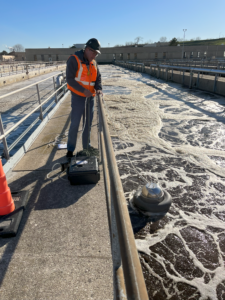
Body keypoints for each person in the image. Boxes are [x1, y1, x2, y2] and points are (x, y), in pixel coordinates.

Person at [66, 38, 102, 158]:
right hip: (78, 97)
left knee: (88, 124)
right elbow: (70, 79)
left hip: (90, 98)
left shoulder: (94, 62)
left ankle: (86, 146)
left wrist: (98, 88)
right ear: (87, 49)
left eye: (96, 54)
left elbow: (98, 77)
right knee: (75, 124)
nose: (94, 55)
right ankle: (70, 150)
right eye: (93, 53)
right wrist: (83, 90)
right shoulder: (74, 59)